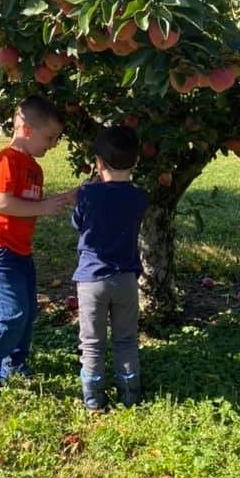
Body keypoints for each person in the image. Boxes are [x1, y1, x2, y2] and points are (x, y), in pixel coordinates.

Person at [0, 95, 76, 402]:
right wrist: (44, 206)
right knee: (11, 315)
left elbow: (31, 205)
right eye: (49, 137)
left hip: (20, 251)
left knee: (27, 313)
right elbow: (3, 204)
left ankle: (14, 364)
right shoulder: (5, 162)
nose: (52, 144)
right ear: (26, 130)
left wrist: (67, 197)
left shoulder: (34, 169)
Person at [71, 125, 149, 410]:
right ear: (137, 161)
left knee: (92, 343)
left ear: (98, 162)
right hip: (126, 279)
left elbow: (77, 224)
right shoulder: (140, 197)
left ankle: (93, 399)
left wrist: (90, 187)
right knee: (126, 339)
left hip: (91, 280)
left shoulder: (87, 194)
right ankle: (130, 394)